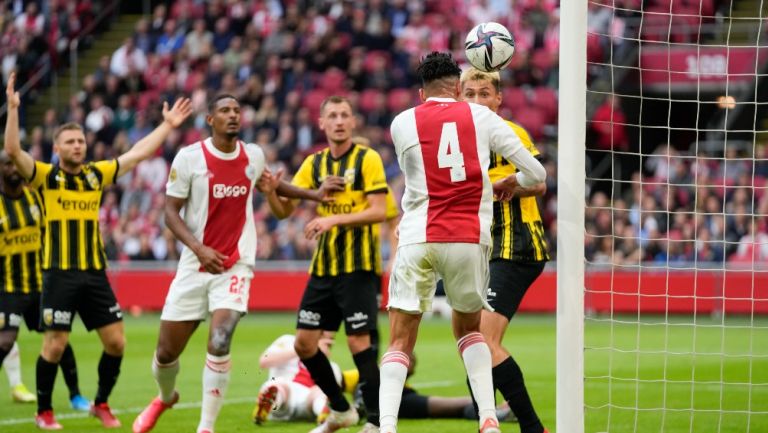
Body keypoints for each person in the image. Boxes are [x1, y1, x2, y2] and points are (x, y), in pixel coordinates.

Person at [131, 94, 342, 433]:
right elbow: (170, 212)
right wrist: (199, 249)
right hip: (194, 264)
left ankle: (206, 427)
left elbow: (273, 185)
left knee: (220, 340)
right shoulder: (189, 158)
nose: (232, 115)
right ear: (210, 120)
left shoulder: (253, 155)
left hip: (235, 265)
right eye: (224, 111)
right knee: (166, 353)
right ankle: (165, 396)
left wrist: (315, 195)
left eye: (236, 110)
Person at [3, 72, 193, 429]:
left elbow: (137, 153)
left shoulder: (96, 175)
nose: (78, 146)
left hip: (94, 274)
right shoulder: (45, 177)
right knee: (55, 347)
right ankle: (44, 412)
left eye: (81, 141)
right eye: (70, 142)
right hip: (58, 273)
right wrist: (13, 110)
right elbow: (13, 151)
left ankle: (101, 402)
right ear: (57, 149)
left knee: (116, 343)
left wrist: (167, 126)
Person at [379, 52, 546, 433]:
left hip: (418, 235)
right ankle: (489, 419)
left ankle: (386, 427)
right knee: (471, 333)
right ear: (458, 88)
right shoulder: (483, 118)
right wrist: (506, 185)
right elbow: (536, 173)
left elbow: (415, 173)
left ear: (421, 93)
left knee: (400, 341)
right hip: (468, 238)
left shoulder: (401, 122)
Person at [264, 95, 389, 433]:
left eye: (344, 115)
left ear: (352, 122)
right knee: (304, 344)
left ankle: (378, 423)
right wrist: (271, 192)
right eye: (331, 115)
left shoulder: (368, 159)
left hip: (358, 267)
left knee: (359, 344)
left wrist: (333, 222)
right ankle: (340, 409)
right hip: (323, 269)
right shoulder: (314, 163)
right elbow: (284, 211)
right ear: (321, 123)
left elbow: (379, 210)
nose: (338, 121)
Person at [460, 67, 550, 433]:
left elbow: (539, 183)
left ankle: (532, 427)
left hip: (516, 245)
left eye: (485, 93)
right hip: (480, 250)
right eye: (470, 93)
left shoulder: (512, 133)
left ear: (498, 99)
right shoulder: (458, 138)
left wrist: (508, 183)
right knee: (471, 345)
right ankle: (490, 420)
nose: (478, 100)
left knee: (481, 340)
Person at [252, 332, 513, 425]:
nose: (402, 362)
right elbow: (335, 381)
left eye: (406, 362)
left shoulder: (401, 392)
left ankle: (492, 411)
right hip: (381, 404)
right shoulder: (366, 377)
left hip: (398, 403)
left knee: (446, 407)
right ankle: (490, 410)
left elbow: (336, 381)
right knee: (447, 407)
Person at [0, 151, 91, 411]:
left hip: (41, 286)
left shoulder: (35, 199)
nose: (14, 169)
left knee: (59, 339)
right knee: (5, 341)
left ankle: (76, 396)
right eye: (8, 164)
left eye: (16, 163)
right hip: (9, 289)